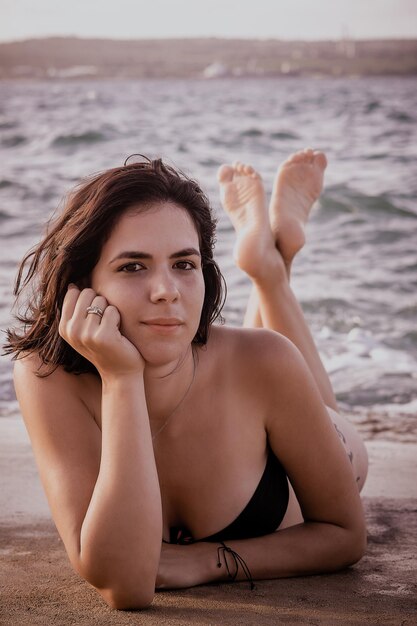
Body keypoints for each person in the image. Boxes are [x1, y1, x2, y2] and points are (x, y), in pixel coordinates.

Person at [5, 149, 368, 610]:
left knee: (282, 370)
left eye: (184, 264)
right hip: (244, 378)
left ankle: (269, 271)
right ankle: (267, 262)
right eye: (133, 266)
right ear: (81, 284)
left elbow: (345, 534)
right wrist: (121, 380)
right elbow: (127, 585)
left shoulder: (265, 360)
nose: (166, 291)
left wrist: (204, 561)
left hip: (325, 437)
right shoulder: (47, 378)